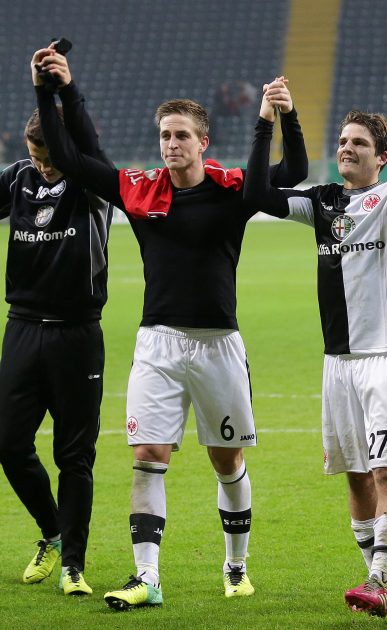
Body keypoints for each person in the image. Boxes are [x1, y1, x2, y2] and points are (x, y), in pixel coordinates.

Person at [34, 46, 309, 610]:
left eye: (181, 135)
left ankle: (236, 566)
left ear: (202, 142)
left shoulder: (233, 188)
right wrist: (52, 89)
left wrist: (283, 116)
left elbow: (294, 172)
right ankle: (147, 577)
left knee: (227, 460)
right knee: (147, 456)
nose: (171, 144)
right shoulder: (140, 191)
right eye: (164, 135)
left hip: (218, 346)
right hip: (157, 343)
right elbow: (68, 154)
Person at [242, 57, 387, 619]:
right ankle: (374, 576)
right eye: (344, 140)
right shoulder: (323, 201)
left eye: (360, 143)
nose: (347, 147)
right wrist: (270, 119)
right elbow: (258, 193)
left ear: (381, 158)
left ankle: (381, 578)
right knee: (355, 479)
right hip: (338, 364)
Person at [0, 45, 112, 597]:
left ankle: (73, 562)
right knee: (8, 443)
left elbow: (81, 146)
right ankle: (52, 531)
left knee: (74, 455)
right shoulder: (19, 177)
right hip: (21, 328)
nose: (42, 166)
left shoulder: (89, 179)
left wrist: (54, 90)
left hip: (76, 334)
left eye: (49, 156)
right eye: (35, 155)